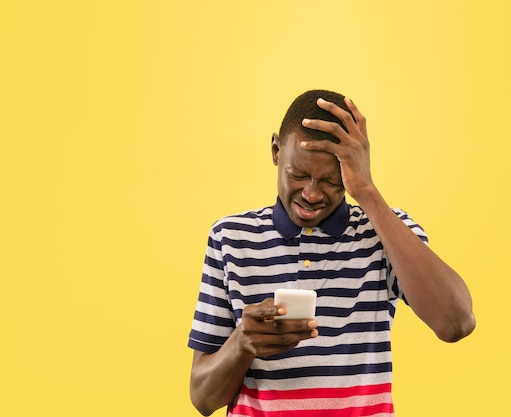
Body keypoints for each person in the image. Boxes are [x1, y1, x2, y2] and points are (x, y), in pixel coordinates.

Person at [188, 89, 475, 416]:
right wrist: (242, 344)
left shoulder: (383, 232)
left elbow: (456, 323)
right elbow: (203, 399)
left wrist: (366, 191)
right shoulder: (230, 237)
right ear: (275, 151)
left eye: (331, 180)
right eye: (297, 174)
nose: (311, 194)